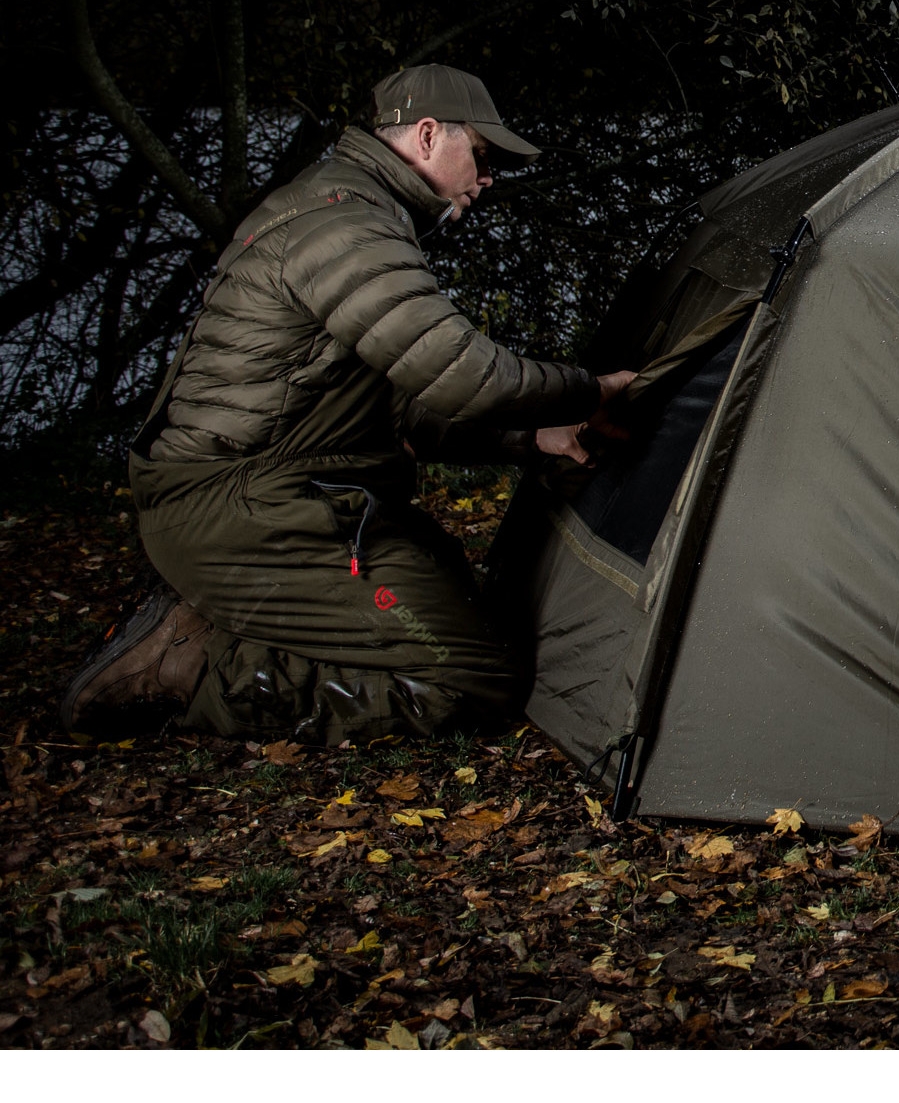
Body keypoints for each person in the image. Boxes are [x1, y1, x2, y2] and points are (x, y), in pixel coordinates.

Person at [57, 65, 634, 742]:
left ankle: (227, 615)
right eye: (481, 157)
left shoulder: (353, 211)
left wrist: (525, 439)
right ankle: (196, 666)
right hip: (241, 505)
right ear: (426, 136)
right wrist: (588, 390)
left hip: (281, 490)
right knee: (471, 679)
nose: (487, 180)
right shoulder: (346, 227)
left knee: (458, 603)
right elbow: (458, 374)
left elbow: (399, 410)